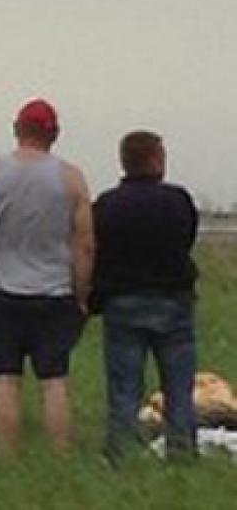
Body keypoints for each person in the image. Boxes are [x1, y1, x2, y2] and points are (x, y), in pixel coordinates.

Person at [0, 98, 94, 456]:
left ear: (17, 129)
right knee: (54, 380)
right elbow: (84, 244)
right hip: (53, 290)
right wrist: (81, 294)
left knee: (7, 379)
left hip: (2, 287)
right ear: (55, 134)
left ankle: (8, 458)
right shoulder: (71, 178)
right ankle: (61, 457)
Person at [93, 130, 199, 461]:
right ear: (155, 159)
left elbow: (97, 249)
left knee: (125, 388)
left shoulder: (108, 204)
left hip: (123, 303)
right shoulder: (178, 200)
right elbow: (187, 239)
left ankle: (122, 453)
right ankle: (181, 451)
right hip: (173, 301)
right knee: (178, 387)